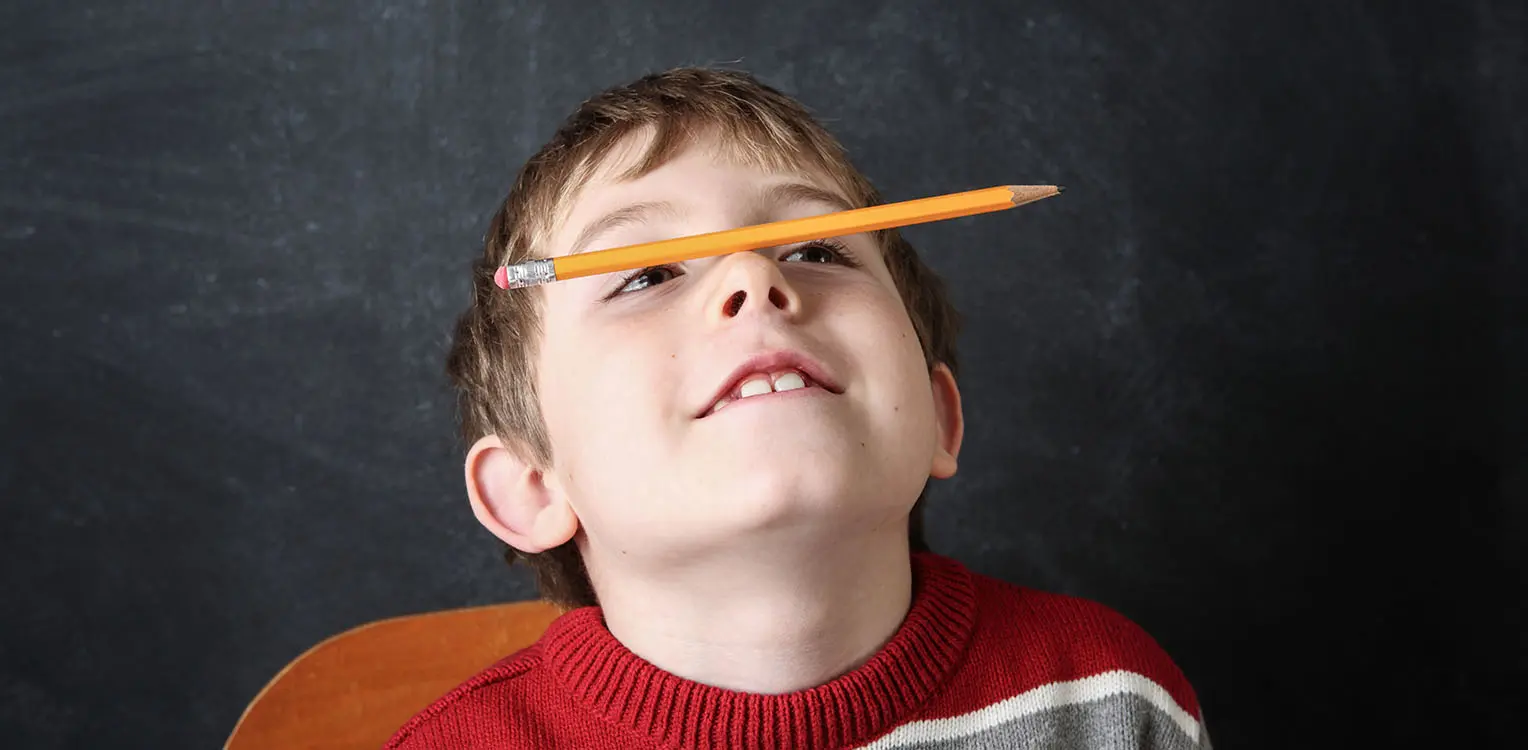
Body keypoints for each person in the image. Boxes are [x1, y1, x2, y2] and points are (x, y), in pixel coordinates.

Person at [385, 66, 1210, 750]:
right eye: (647, 273)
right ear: (529, 486)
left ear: (938, 413)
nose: (752, 278)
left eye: (817, 249)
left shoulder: (1114, 702)